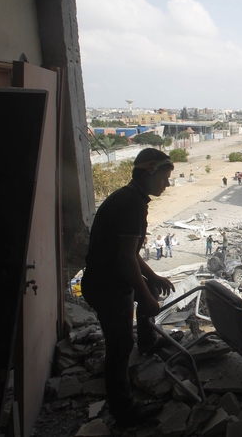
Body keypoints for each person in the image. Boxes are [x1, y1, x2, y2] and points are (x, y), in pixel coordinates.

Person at [81, 148, 177, 426]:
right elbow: (125, 257)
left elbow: (131, 252)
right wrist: (145, 298)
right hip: (108, 287)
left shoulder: (131, 198)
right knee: (120, 347)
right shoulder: (131, 205)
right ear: (149, 173)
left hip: (110, 279)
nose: (167, 185)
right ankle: (124, 411)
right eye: (164, 179)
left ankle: (148, 343)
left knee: (152, 290)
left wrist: (153, 280)